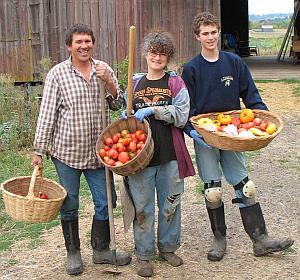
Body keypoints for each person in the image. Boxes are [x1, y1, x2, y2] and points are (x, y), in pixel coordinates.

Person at [182, 12, 294, 262]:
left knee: (247, 186)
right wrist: (191, 131)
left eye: (213, 32)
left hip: (233, 132)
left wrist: (262, 115)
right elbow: (186, 108)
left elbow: (251, 95)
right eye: (205, 34)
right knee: (212, 191)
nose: (210, 37)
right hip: (206, 135)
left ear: (218, 33)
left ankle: (260, 238)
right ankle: (219, 239)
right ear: (197, 37)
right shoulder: (190, 69)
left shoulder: (233, 62)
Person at [31, 23, 131, 276]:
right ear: (69, 46)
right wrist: (38, 150)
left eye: (88, 41)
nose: (84, 46)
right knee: (70, 203)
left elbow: (118, 103)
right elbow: (47, 114)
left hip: (100, 153)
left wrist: (108, 80)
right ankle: (73, 252)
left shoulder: (103, 69)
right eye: (78, 42)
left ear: (92, 43)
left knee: (106, 202)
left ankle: (101, 250)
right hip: (67, 153)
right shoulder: (57, 74)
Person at [123, 31, 195, 277]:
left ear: (168, 57)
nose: (157, 57)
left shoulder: (175, 83)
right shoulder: (134, 83)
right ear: (145, 54)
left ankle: (168, 248)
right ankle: (144, 255)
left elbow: (182, 114)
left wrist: (154, 110)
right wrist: (127, 117)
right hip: (140, 158)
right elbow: (128, 117)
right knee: (142, 208)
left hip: (170, 155)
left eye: (162, 54)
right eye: (153, 52)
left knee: (170, 205)